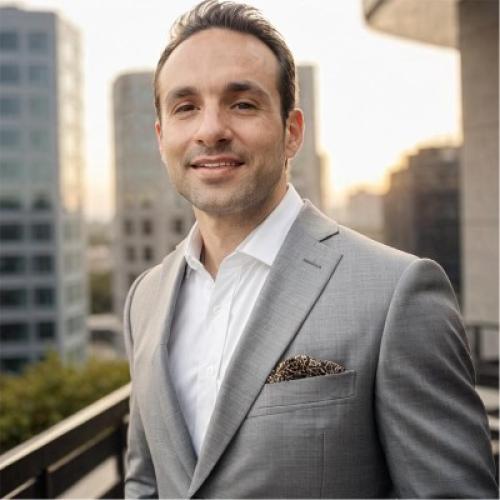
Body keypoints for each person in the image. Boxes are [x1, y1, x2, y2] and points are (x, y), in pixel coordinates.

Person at [123, 1, 498, 498]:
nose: (210, 130)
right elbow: (146, 479)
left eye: (242, 104)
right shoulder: (145, 298)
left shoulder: (396, 294)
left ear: (292, 132)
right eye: (185, 107)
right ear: (161, 137)